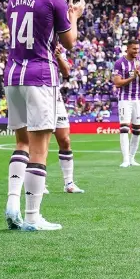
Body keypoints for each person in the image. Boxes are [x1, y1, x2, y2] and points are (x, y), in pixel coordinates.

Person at [4, 0, 86, 231]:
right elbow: (71, 41)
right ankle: (31, 217)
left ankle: (12, 202)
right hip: (40, 74)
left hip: (13, 74)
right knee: (39, 149)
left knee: (21, 143)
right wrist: (75, 15)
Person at [113, 39, 140, 168]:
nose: (136, 51)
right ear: (127, 49)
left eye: (138, 49)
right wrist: (132, 77)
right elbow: (117, 83)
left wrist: (138, 73)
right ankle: (125, 160)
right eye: (134, 49)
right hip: (125, 99)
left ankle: (132, 158)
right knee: (124, 128)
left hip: (139, 99)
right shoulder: (119, 63)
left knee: (137, 129)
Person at [52, 44, 84, 193]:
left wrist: (58, 56)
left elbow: (66, 72)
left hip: (54, 95)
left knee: (65, 140)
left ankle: (69, 183)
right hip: (36, 92)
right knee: (40, 141)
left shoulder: (58, 46)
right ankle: (38, 183)